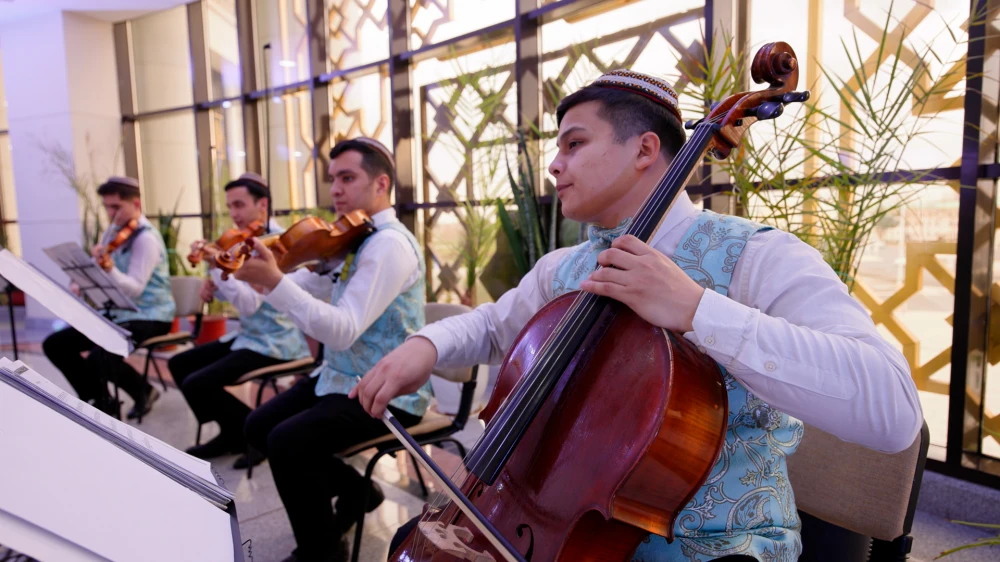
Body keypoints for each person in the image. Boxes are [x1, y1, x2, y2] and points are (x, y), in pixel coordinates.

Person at [352, 70, 924, 561]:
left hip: (721, 547)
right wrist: (424, 346)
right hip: (563, 532)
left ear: (645, 150)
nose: (554, 165)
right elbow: (490, 325)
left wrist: (698, 310)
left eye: (574, 144)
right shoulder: (565, 268)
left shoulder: (756, 256)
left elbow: (894, 407)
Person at [232, 137, 429, 562]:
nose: (335, 189)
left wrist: (275, 282)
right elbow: (306, 287)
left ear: (381, 184)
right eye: (333, 179)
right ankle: (359, 491)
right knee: (257, 426)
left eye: (347, 178)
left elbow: (341, 330)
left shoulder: (388, 245)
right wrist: (265, 277)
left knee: (288, 442)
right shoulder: (354, 238)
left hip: (388, 389)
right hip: (341, 377)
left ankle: (322, 552)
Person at [167, 172, 311, 469]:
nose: (233, 214)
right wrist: (215, 282)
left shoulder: (276, 244)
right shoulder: (242, 241)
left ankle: (251, 435)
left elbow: (248, 303)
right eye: (230, 206)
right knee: (179, 364)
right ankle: (233, 431)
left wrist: (215, 266)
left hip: (277, 341)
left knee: (198, 383)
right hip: (249, 336)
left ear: (263, 205)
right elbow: (239, 292)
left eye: (239, 205)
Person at [43, 176, 177, 419]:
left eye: (116, 207)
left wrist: (109, 269)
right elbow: (96, 270)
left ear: (136, 204)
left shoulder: (146, 239)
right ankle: (100, 399)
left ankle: (141, 392)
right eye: (107, 207)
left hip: (150, 315)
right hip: (117, 313)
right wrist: (81, 280)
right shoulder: (112, 233)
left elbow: (135, 289)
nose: (111, 214)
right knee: (55, 345)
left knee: (100, 356)